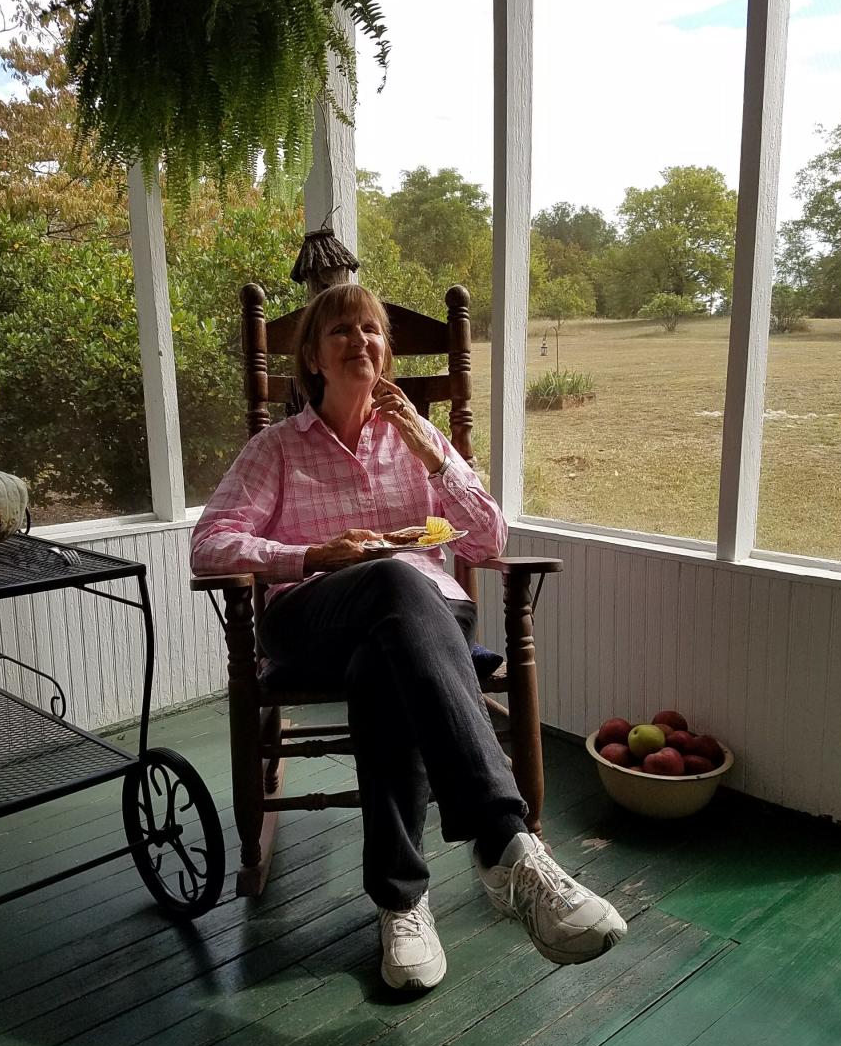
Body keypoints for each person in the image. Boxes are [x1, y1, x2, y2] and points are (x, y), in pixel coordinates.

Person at [191, 283, 626, 991]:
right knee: (394, 580)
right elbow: (209, 544)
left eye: (370, 330)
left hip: (420, 622)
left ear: (385, 350)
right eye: (340, 332)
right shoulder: (276, 449)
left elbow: (488, 540)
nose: (359, 341)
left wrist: (437, 458)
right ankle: (505, 841)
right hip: (312, 616)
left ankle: (402, 902)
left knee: (388, 654)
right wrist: (309, 556)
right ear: (312, 358)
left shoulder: (419, 442)